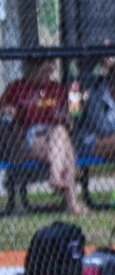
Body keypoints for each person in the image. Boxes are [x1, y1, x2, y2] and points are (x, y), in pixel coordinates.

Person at [0, 59, 84, 214]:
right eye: (45, 71)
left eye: (51, 71)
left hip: (54, 136)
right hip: (28, 139)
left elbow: (71, 120)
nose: (49, 75)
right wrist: (7, 112)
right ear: (32, 69)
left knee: (60, 132)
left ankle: (55, 176)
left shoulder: (56, 88)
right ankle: (73, 203)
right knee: (66, 151)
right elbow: (2, 113)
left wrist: (65, 118)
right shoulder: (16, 88)